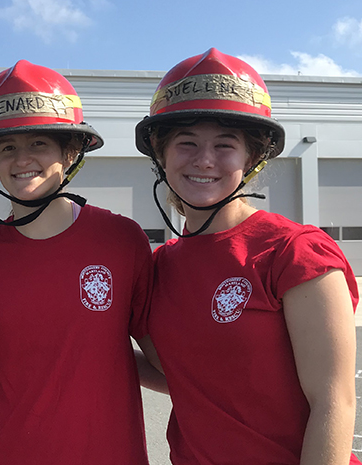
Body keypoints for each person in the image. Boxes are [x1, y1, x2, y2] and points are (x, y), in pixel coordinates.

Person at [135, 48, 360, 464]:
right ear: (160, 155)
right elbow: (184, 374)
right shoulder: (159, 267)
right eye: (186, 143)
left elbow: (334, 401)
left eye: (225, 145)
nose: (204, 160)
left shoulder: (293, 251)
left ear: (251, 159)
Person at [0, 60, 154, 465]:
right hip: (10, 453)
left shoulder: (123, 240)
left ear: (70, 154)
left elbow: (164, 359)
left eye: (39, 144)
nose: (21, 159)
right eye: (8, 147)